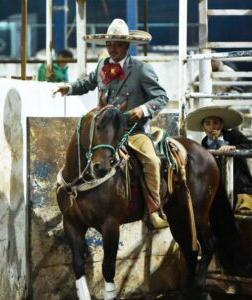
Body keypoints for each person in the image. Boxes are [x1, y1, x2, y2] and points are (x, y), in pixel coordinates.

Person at [53, 18, 169, 229]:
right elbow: (87, 83)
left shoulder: (142, 69)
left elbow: (161, 97)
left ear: (126, 45)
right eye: (109, 44)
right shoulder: (102, 66)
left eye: (116, 44)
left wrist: (142, 109)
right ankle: (74, 203)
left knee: (151, 160)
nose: (111, 48)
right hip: (105, 133)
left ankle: (154, 209)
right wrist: (68, 88)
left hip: (133, 131)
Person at [186, 105, 252, 214]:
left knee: (246, 213)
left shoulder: (233, 135)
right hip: (217, 187)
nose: (212, 126)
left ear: (221, 124)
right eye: (207, 123)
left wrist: (234, 148)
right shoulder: (204, 143)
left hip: (240, 185)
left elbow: (251, 145)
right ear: (203, 126)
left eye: (215, 122)